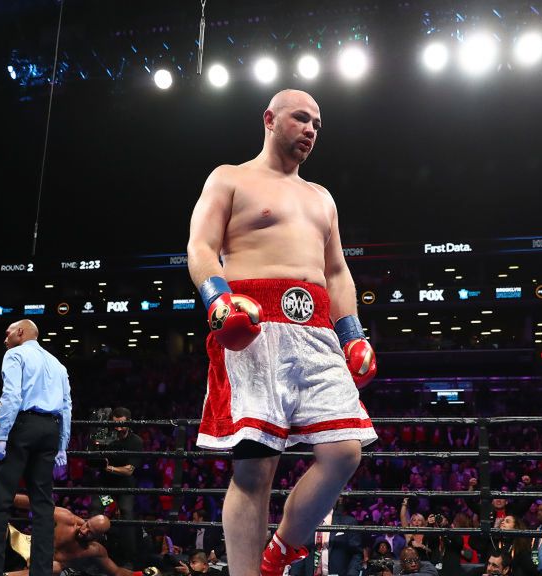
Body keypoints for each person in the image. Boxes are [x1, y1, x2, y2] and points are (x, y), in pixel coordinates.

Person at [187, 88, 378, 576]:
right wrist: (218, 301)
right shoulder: (230, 178)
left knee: (343, 451)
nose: (311, 129)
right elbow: (202, 246)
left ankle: (281, 551)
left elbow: (337, 272)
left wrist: (353, 333)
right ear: (269, 119)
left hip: (315, 328)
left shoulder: (322, 198)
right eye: (301, 118)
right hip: (254, 324)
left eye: (318, 123)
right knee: (255, 469)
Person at [0, 319, 72, 576]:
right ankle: (41, 572)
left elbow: (11, 396)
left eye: (8, 333)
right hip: (50, 431)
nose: (5, 339)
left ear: (20, 332)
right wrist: (62, 444)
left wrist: (1, 437)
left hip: (22, 426)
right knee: (43, 505)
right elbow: (66, 406)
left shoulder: (15, 354)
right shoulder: (57, 364)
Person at [0, 493, 141, 576]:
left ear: (97, 538)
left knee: (56, 568)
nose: (84, 530)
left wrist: (143, 575)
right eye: (86, 524)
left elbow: (117, 572)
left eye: (90, 532)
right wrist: (0, 497)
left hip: (42, 566)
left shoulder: (95, 551)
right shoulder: (66, 518)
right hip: (28, 544)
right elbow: (34, 503)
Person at [98, 406, 143, 566]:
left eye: (122, 424)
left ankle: (129, 559)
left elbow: (129, 470)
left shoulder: (135, 441)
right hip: (105, 487)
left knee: (126, 513)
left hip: (125, 488)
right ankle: (94, 555)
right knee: (96, 510)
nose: (118, 428)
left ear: (128, 423)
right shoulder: (106, 439)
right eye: (115, 424)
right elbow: (94, 460)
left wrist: (109, 468)